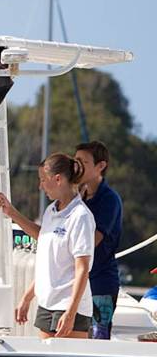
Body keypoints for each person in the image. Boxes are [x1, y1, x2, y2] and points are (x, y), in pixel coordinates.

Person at [0, 142, 123, 339]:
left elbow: (82, 267)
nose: (40, 186)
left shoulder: (81, 215)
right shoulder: (51, 211)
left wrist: (70, 313)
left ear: (58, 179)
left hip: (74, 304)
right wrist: (27, 298)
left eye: (43, 180)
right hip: (48, 304)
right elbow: (50, 256)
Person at [73, 141, 123, 339]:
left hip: (100, 284)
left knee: (97, 341)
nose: (78, 166)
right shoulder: (78, 197)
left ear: (100, 166)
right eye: (76, 161)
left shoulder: (109, 199)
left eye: (83, 162)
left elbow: (92, 241)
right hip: (78, 282)